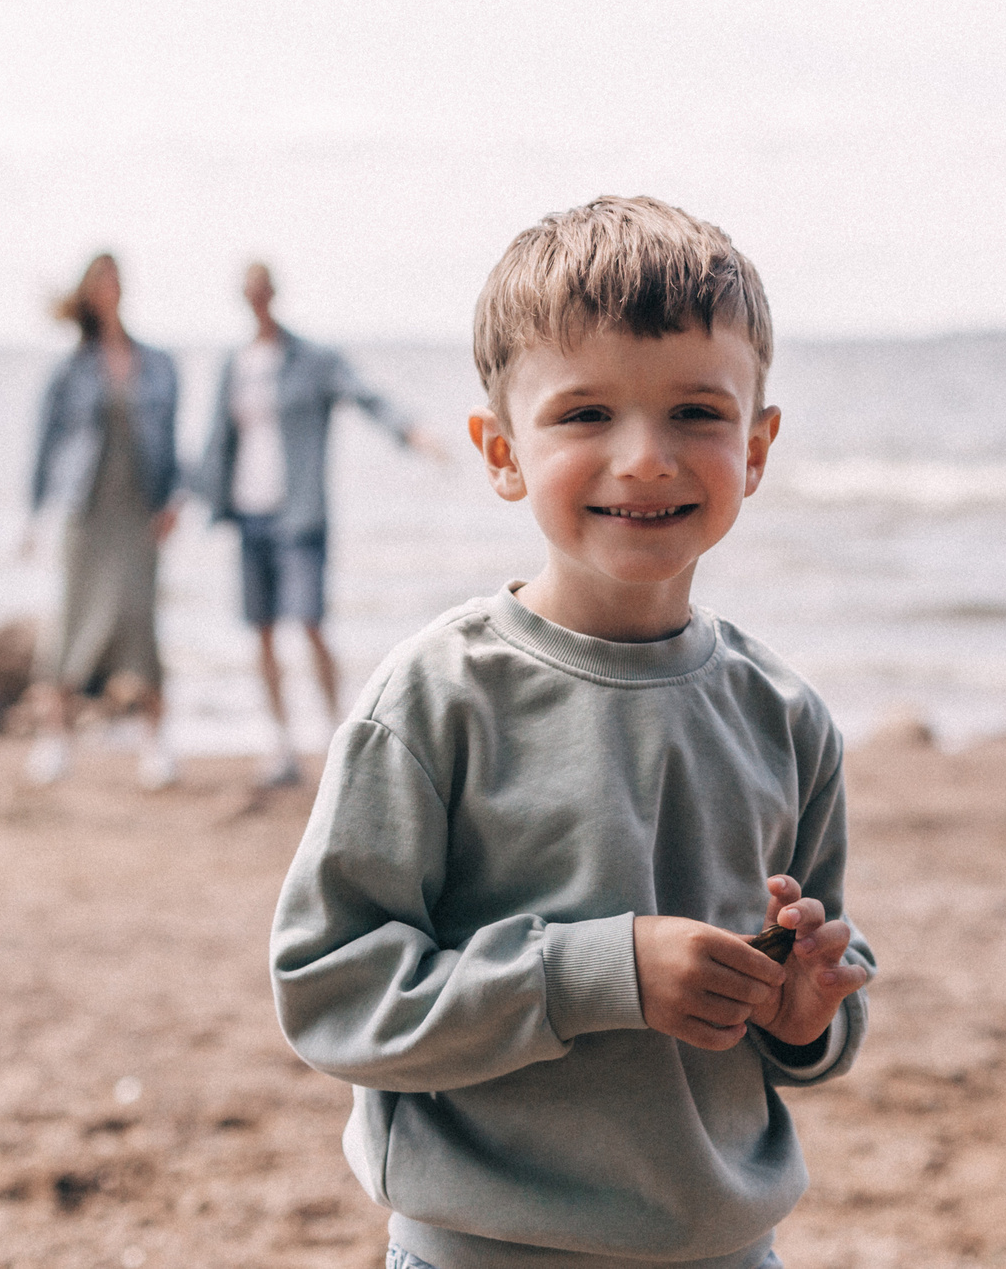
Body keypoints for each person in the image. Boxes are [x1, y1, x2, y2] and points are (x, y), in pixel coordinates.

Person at [270, 197, 875, 1269]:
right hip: (483, 1249)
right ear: (501, 451)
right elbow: (333, 996)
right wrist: (605, 973)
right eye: (585, 415)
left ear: (759, 443)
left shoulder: (783, 717)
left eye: (697, 412)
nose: (644, 458)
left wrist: (802, 1013)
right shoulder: (435, 699)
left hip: (726, 1249)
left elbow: (810, 1013)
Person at [194, 261, 435, 788]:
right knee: (262, 634)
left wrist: (409, 432)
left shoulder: (311, 359)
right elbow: (217, 442)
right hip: (248, 513)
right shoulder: (235, 364)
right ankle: (281, 748)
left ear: (273, 293)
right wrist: (183, 496)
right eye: (248, 292)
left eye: (262, 290)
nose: (256, 299)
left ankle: (339, 740)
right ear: (243, 297)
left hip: (299, 516)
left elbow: (365, 395)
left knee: (310, 624)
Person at [22, 252, 181, 789]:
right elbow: (45, 446)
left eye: (116, 278)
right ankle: (54, 741)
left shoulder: (157, 364)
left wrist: (172, 504)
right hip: (85, 513)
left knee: (141, 626)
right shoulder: (69, 370)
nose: (110, 288)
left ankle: (156, 745)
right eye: (101, 279)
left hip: (139, 512)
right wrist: (33, 516)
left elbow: (171, 445)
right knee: (70, 624)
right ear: (88, 292)